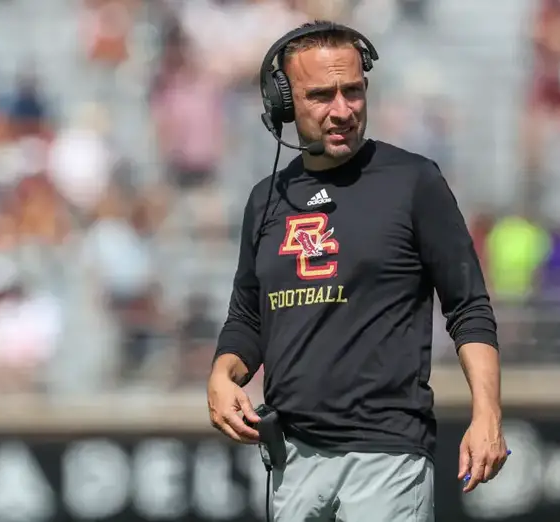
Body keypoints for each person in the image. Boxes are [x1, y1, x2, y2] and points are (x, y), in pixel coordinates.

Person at [207, 20, 508, 521]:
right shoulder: (265, 201)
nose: (342, 110)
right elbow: (248, 318)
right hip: (292, 462)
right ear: (284, 104)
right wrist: (222, 373)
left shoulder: (414, 182)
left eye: (353, 91)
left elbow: (469, 307)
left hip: (386, 453)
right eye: (321, 95)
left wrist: (488, 413)